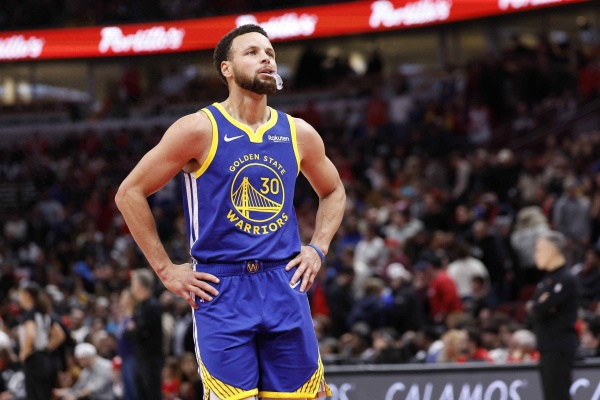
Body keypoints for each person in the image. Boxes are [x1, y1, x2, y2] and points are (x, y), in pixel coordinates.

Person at [115, 24, 345, 400]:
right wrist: (165, 270)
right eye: (252, 52)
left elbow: (333, 190)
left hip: (283, 282)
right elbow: (129, 193)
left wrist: (318, 248)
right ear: (227, 69)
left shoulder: (298, 132)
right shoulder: (198, 129)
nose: (266, 58)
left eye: (270, 53)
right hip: (221, 288)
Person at [530, 231, 580, 400]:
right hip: (546, 346)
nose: (535, 255)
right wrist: (540, 306)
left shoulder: (567, 278)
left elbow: (540, 308)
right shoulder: (546, 280)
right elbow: (535, 310)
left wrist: (540, 306)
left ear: (552, 250)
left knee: (559, 395)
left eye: (539, 250)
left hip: (559, 346)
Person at [17, 284, 66, 400]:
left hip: (34, 361)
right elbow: (60, 335)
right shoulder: (44, 313)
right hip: (46, 360)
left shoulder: (30, 313)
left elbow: (31, 334)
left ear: (26, 295)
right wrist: (46, 349)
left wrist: (24, 353)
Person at [126, 269, 163, 400]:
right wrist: (134, 330)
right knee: (141, 394)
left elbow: (138, 332)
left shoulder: (152, 306)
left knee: (152, 395)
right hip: (141, 357)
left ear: (140, 285)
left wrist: (134, 329)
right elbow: (129, 332)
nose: (131, 288)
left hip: (151, 359)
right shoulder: (140, 306)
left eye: (133, 283)